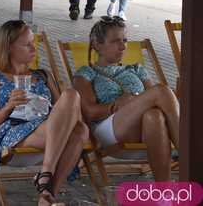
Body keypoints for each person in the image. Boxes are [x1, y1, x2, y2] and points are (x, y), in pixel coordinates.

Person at [0, 20, 88, 206]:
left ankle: (47, 193)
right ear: (9, 47)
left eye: (33, 42)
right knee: (80, 129)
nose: (33, 47)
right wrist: (8, 107)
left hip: (48, 127)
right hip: (15, 131)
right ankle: (46, 177)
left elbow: (66, 110)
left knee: (77, 116)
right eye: (27, 44)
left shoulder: (42, 75)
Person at [73, 17, 179, 181]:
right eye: (116, 41)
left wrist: (136, 103)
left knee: (155, 116)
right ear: (97, 45)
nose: (123, 46)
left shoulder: (136, 69)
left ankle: (163, 194)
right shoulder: (86, 74)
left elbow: (157, 104)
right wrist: (116, 106)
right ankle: (191, 156)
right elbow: (89, 112)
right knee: (162, 91)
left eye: (125, 40)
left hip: (145, 129)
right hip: (108, 129)